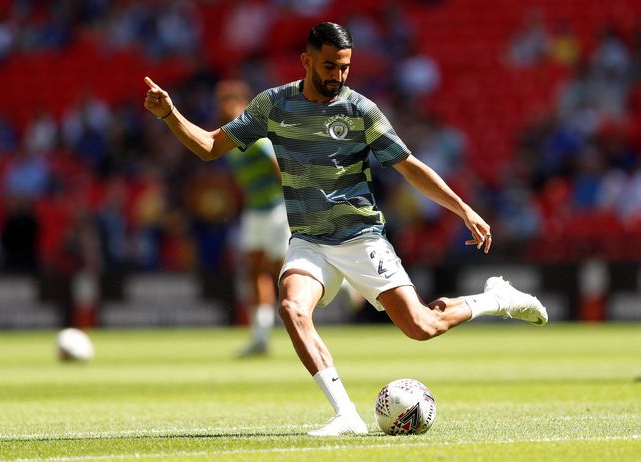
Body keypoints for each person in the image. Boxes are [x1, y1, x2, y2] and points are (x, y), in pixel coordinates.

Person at [143, 22, 548, 437]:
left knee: (421, 327)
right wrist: (170, 115)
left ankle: (496, 298)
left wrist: (462, 208)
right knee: (292, 308)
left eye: (344, 67)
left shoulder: (360, 109)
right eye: (329, 66)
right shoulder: (274, 105)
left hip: (361, 237)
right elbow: (210, 147)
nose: (338, 75)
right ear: (306, 61)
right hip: (309, 241)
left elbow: (408, 166)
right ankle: (346, 415)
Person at [215, 80, 290, 357]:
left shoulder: (256, 137)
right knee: (254, 272)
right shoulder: (229, 139)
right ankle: (260, 336)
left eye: (228, 100)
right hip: (253, 212)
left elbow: (279, 166)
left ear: (241, 103)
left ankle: (339, 284)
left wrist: (296, 202)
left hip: (275, 209)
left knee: (281, 271)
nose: (224, 107)